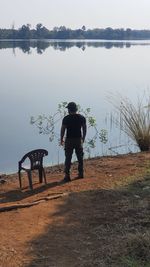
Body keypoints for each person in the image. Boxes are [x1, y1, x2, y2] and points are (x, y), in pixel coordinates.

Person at [60, 102, 87, 182]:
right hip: (78, 139)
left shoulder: (66, 118)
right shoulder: (81, 117)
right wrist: (83, 138)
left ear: (69, 109)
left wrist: (61, 139)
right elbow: (84, 129)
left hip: (69, 140)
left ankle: (67, 176)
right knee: (80, 157)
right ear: (76, 109)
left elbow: (63, 129)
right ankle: (81, 174)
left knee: (68, 158)